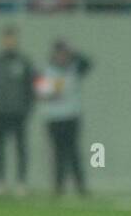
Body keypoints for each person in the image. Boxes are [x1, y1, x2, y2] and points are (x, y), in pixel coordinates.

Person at [0, 27, 36, 194]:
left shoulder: (24, 62)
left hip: (19, 112)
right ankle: (0, 181)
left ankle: (21, 182)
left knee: (20, 148)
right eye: (6, 39)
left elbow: (31, 87)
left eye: (12, 39)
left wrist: (28, 107)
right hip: (0, 111)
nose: (9, 42)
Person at [37, 40, 91, 195]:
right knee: (58, 154)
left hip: (71, 116)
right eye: (59, 53)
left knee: (74, 153)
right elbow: (43, 94)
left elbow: (88, 63)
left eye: (64, 53)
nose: (62, 57)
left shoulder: (73, 69)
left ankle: (80, 187)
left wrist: (75, 53)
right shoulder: (47, 72)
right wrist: (56, 89)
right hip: (54, 118)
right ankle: (58, 186)